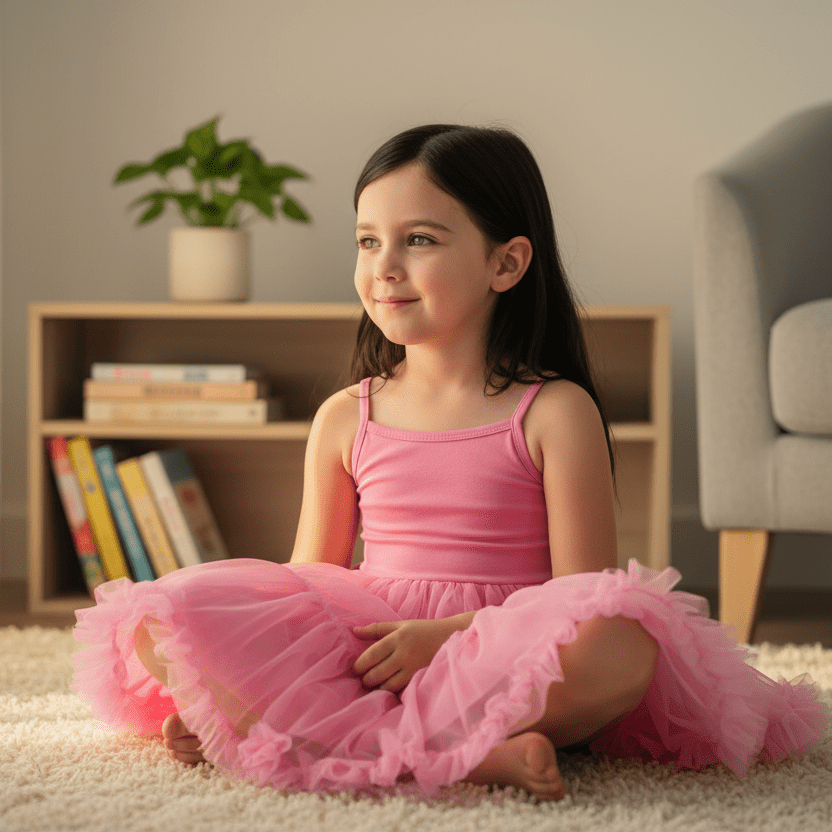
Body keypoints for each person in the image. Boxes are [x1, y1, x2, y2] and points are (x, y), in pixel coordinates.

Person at [72, 124, 828, 801]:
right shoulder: (346, 415)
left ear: (506, 263)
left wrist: (450, 638)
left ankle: (318, 742)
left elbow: (583, 594)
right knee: (158, 616)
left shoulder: (555, 411)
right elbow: (306, 584)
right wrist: (234, 680)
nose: (385, 266)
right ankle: (455, 757)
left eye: (419, 240)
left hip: (496, 649)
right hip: (368, 655)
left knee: (624, 639)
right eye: (368, 241)